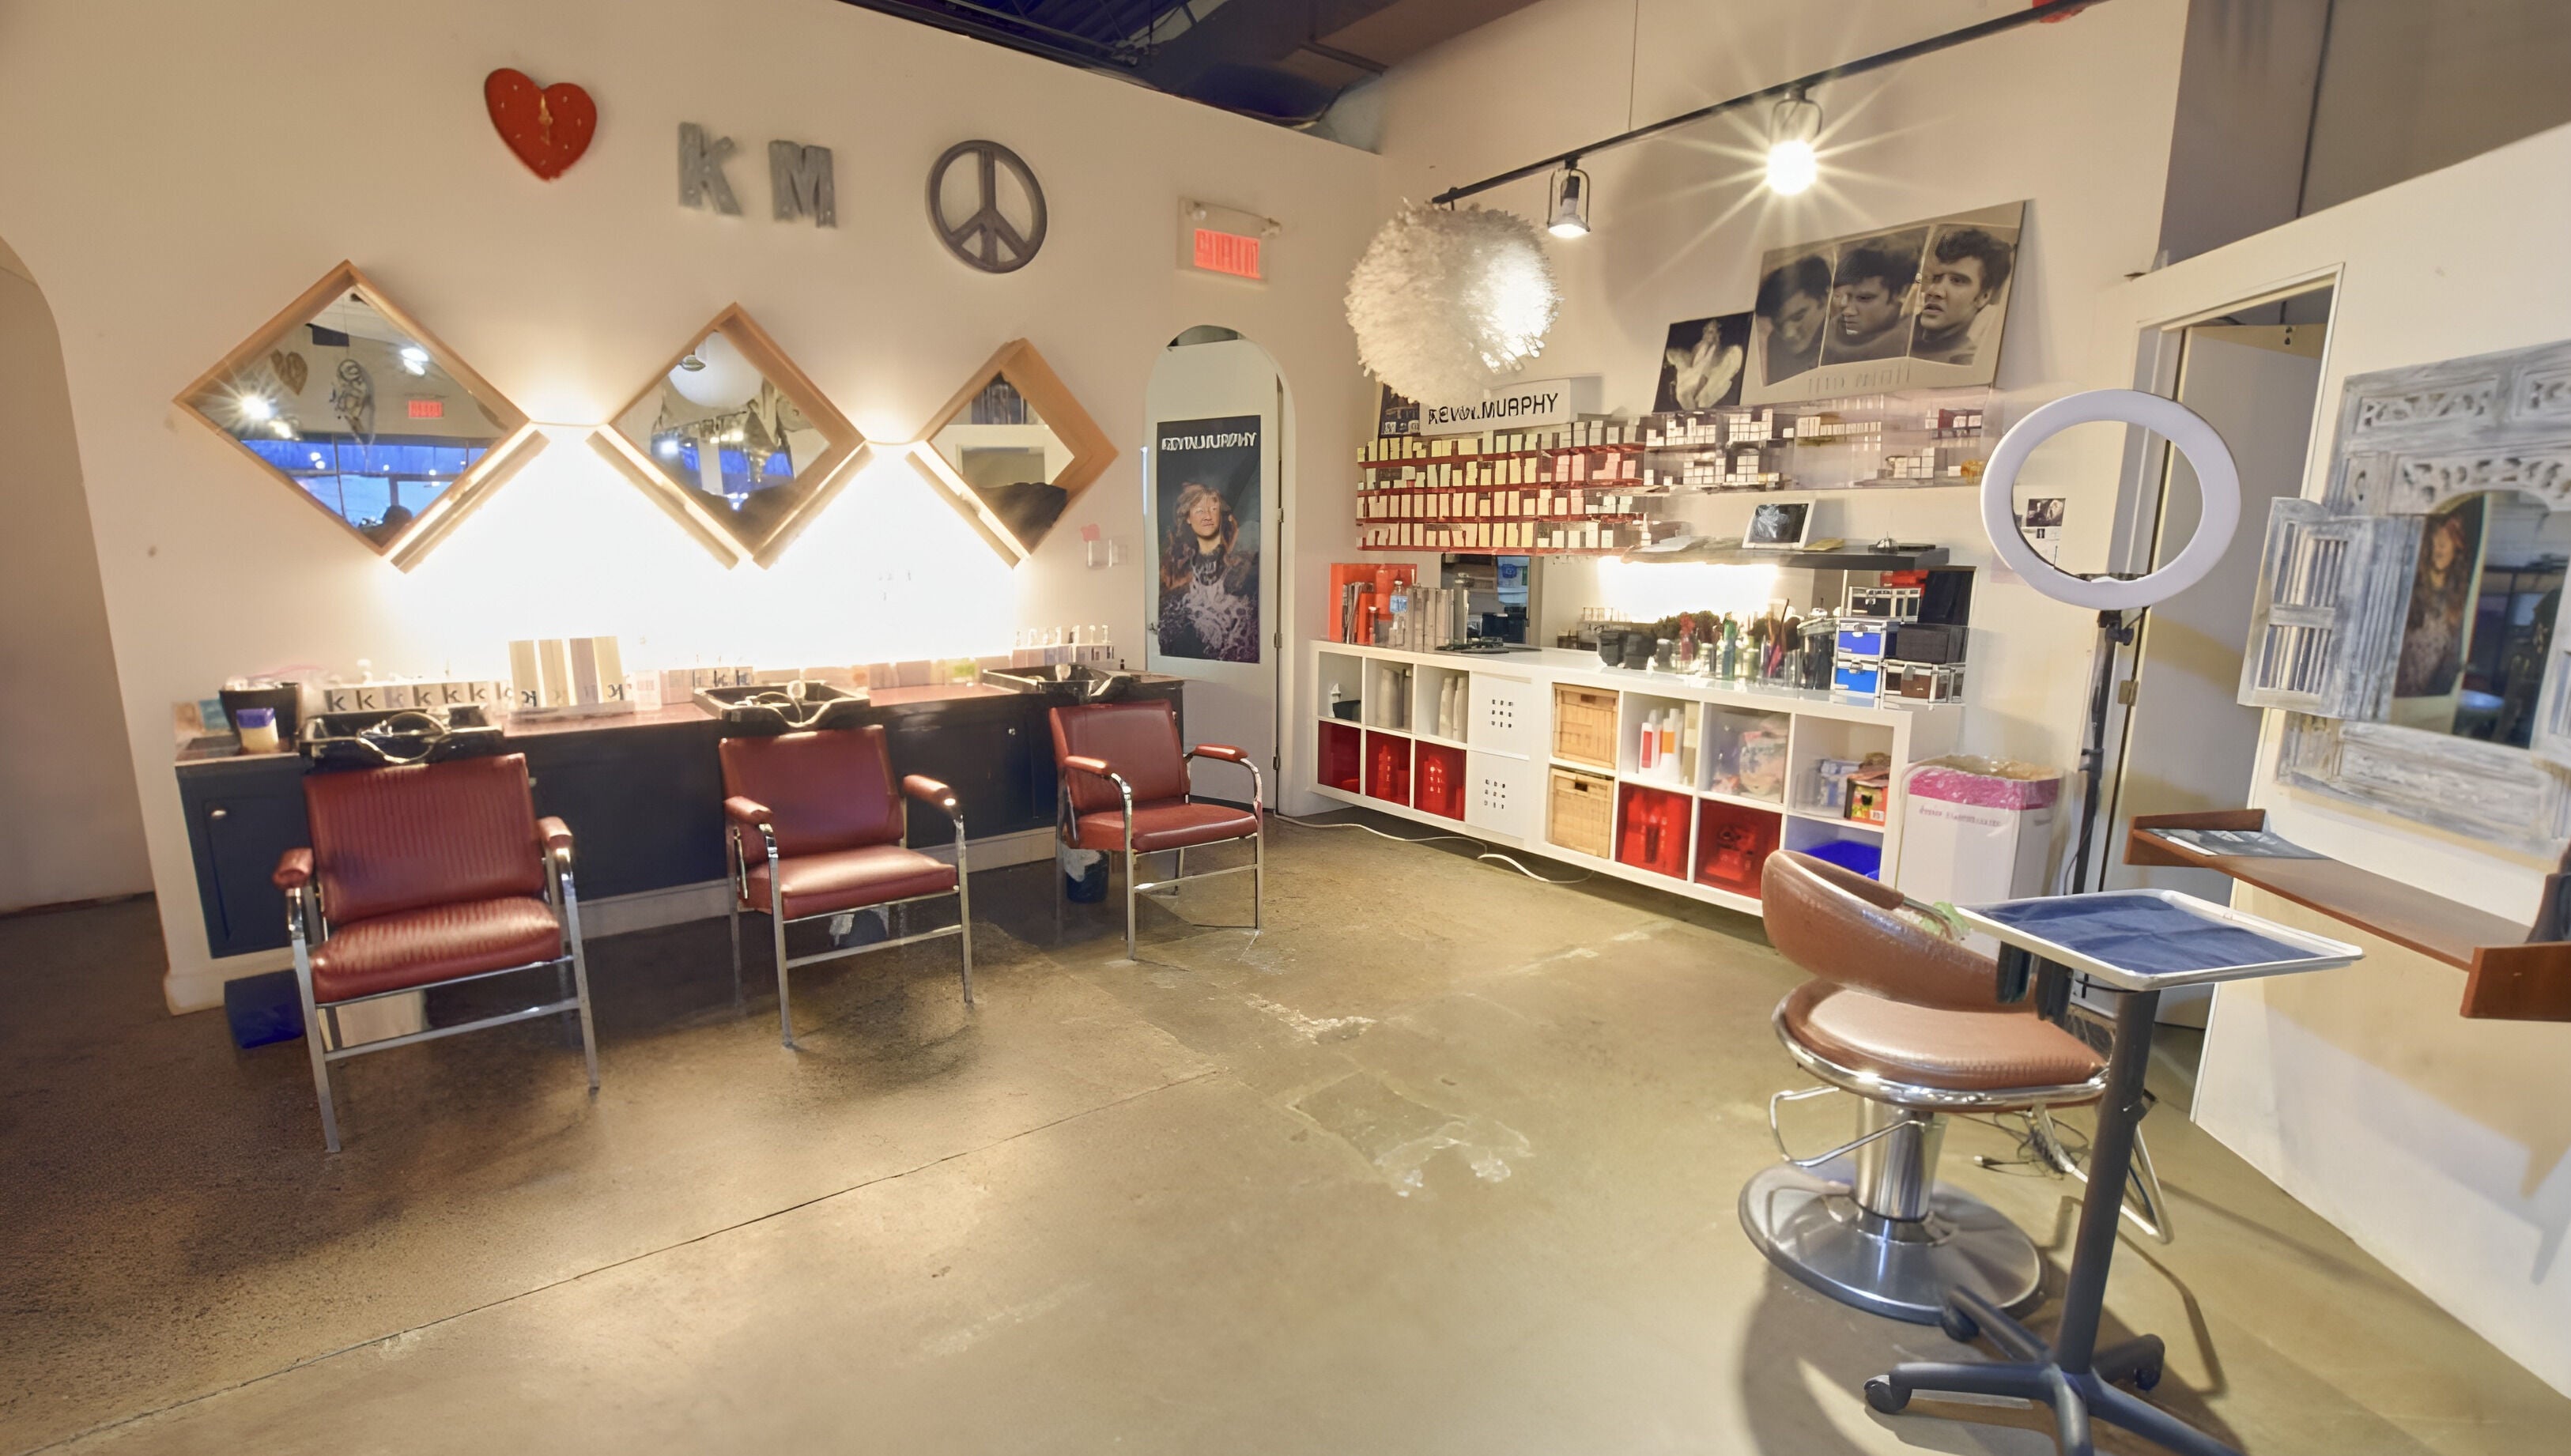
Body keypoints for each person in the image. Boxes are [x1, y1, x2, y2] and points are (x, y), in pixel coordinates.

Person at [1158, 481, 1259, 662]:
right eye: (1199, 511)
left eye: (1213, 509)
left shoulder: (1242, 565)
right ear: (1187, 518)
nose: (1207, 516)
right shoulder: (1179, 573)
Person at [1911, 226, 2015, 366]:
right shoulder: (1895, 340)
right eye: (1935, 278)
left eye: (1957, 281)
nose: (1934, 291)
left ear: (1983, 297)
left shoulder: (1966, 364)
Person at [1822, 237, 1918, 364]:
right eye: (1843, 297)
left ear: (1900, 292)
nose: (1848, 311)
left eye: (1864, 298)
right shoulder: (1829, 335)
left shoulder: (1917, 342)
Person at [1754, 254, 1831, 386]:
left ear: (1824, 301)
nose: (1788, 333)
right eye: (1779, 325)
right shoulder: (1775, 343)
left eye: (1798, 317)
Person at [1657, 317, 1745, 412]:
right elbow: (1692, 363)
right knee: (1685, 392)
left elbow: (1713, 366)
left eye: (1713, 332)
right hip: (1694, 376)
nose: (1710, 334)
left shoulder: (1719, 351)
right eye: (1708, 331)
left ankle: (1696, 404)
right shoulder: (1699, 347)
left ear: (1718, 334)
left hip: (1708, 378)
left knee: (1700, 394)